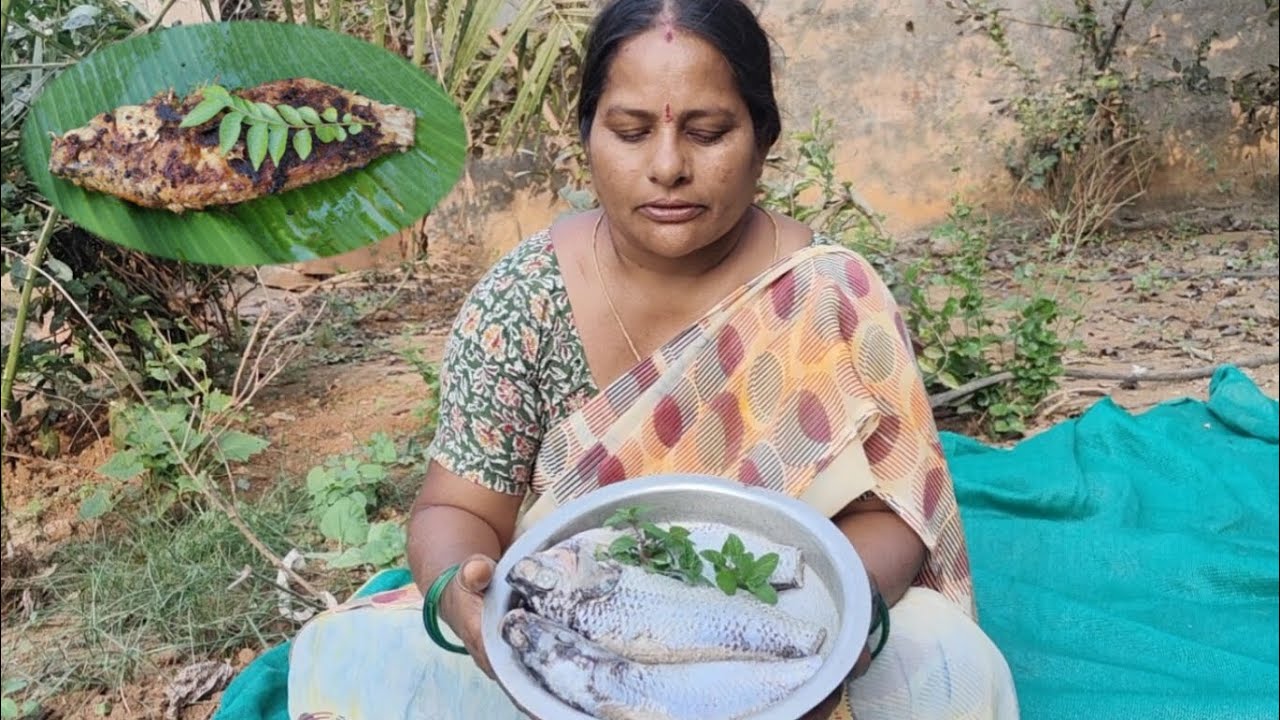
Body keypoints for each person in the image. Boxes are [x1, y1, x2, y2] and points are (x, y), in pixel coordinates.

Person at [285, 0, 1019, 718]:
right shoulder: (525, 299)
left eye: (708, 132)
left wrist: (833, 627)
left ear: (763, 139)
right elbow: (455, 508)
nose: (668, 166)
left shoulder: (828, 295)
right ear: (588, 137)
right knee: (351, 664)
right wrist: (466, 602)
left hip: (779, 617)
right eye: (631, 132)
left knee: (955, 669)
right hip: (576, 629)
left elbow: (890, 513)